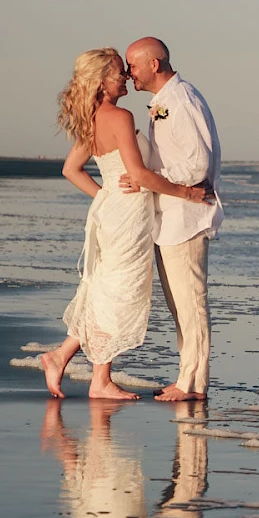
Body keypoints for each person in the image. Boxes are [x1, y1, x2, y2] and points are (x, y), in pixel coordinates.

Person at [39, 48, 212, 400]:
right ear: (103, 81)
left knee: (106, 287)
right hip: (129, 214)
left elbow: (70, 170)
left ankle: (67, 360)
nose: (126, 78)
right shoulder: (118, 116)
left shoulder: (93, 117)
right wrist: (187, 193)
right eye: (120, 73)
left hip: (114, 211)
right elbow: (138, 174)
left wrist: (105, 197)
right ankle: (93, 376)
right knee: (117, 290)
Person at [119, 37, 223, 403]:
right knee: (180, 305)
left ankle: (194, 384)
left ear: (154, 64)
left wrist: (150, 175)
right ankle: (185, 377)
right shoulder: (164, 102)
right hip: (170, 216)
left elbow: (199, 164)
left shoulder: (180, 100)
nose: (128, 72)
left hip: (187, 216)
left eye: (133, 64)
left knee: (191, 303)